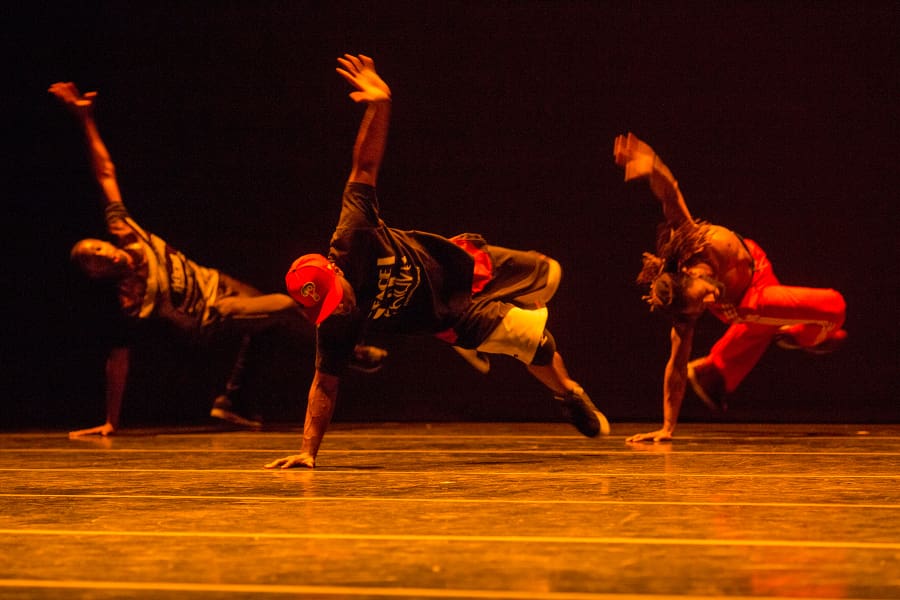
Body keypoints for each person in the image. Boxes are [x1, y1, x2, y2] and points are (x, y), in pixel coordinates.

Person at [264, 55, 609, 469]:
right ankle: (569, 392)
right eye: (326, 309)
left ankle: (515, 314)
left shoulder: (354, 232)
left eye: (338, 297)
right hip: (450, 315)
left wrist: (380, 104)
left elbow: (365, 165)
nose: (340, 307)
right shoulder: (334, 325)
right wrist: (307, 451)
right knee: (533, 341)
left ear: (335, 271)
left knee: (551, 274)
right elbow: (325, 384)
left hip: (460, 264)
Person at [50, 81, 386, 437]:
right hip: (211, 315)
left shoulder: (125, 230)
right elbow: (118, 360)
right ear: (96, 274)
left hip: (218, 282)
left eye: (96, 246)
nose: (101, 251)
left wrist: (85, 119)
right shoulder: (128, 300)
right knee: (288, 306)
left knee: (268, 326)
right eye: (93, 259)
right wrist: (111, 421)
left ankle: (233, 401)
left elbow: (105, 172)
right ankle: (352, 352)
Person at [613, 132, 847, 443]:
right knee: (834, 307)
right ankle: (798, 334)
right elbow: (676, 368)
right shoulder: (687, 314)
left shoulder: (693, 239)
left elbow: (670, 193)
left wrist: (652, 163)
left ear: (691, 277)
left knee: (762, 322)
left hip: (756, 263)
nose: (705, 305)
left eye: (702, 298)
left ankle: (717, 369)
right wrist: (667, 427)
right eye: (699, 309)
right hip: (746, 300)